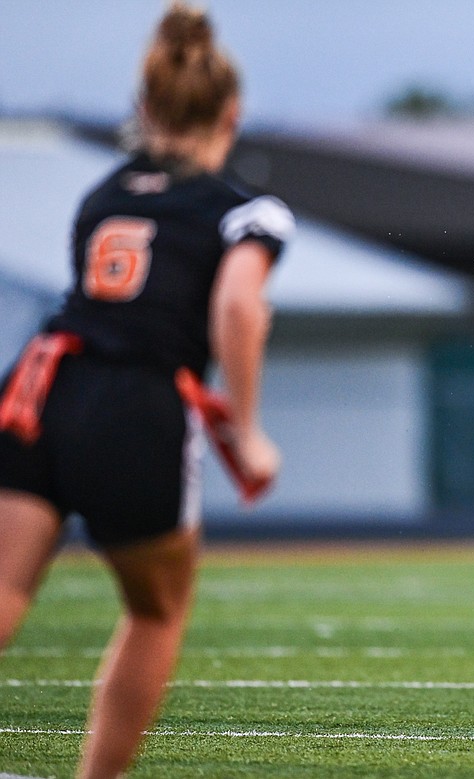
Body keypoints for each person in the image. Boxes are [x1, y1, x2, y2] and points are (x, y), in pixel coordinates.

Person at [0, 3, 293, 776]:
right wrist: (250, 427)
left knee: (3, 591)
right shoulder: (248, 212)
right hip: (137, 405)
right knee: (156, 609)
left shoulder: (104, 194)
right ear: (232, 113)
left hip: (39, 383)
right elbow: (236, 305)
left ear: (143, 109)